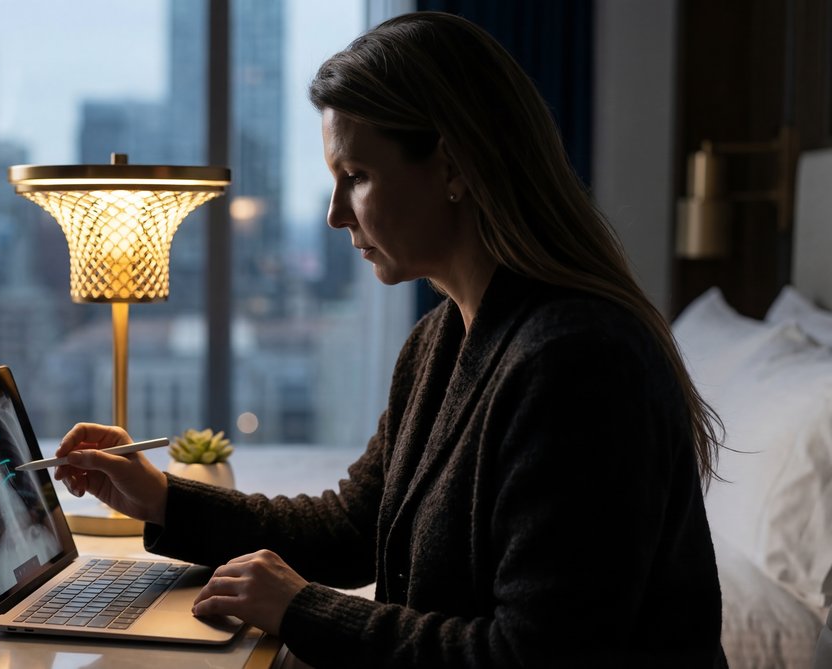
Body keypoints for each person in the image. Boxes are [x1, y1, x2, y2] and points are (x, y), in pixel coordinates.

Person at [53, 11, 727, 668]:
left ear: (455, 166)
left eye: (357, 176)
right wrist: (161, 497)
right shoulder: (440, 338)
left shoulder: (579, 363)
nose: (334, 213)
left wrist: (301, 608)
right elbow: (355, 526)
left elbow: (534, 652)